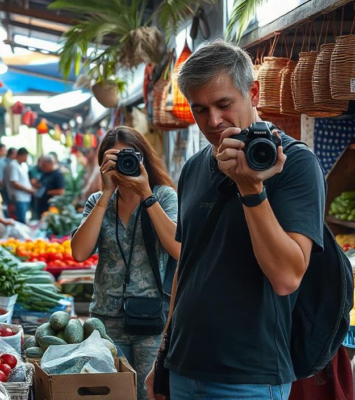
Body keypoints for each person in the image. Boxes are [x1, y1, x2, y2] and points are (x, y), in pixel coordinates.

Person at [146, 40, 325, 400]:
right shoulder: (195, 167)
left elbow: (287, 277)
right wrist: (162, 356)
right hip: (184, 367)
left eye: (224, 104)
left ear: (253, 93)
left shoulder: (294, 164)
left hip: (249, 378)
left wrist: (250, 187)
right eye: (200, 110)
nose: (213, 121)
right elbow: (188, 265)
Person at [71, 127, 179, 400]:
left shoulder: (163, 196)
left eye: (130, 156)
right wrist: (106, 193)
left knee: (150, 394)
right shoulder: (98, 202)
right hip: (106, 320)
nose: (124, 163)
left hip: (152, 318)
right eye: (115, 157)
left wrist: (146, 193)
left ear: (144, 158)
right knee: (111, 394)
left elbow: (177, 247)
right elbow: (80, 252)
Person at [8, 148, 34, 223]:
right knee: (21, 220)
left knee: (25, 219)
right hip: (19, 197)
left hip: (26, 197)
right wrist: (28, 190)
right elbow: (14, 182)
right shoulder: (14, 165)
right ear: (22, 155)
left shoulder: (23, 165)